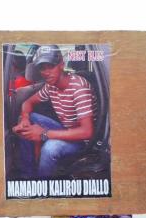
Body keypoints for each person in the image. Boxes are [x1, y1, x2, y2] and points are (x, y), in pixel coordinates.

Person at [13, 45, 97, 179]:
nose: (46, 72)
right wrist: (24, 119)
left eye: (50, 66)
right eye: (42, 67)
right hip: (66, 128)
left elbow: (87, 132)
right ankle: (27, 176)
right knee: (27, 124)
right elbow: (27, 103)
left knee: (50, 148)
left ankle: (43, 186)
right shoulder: (50, 86)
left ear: (61, 65)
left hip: (82, 140)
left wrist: (44, 134)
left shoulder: (79, 88)